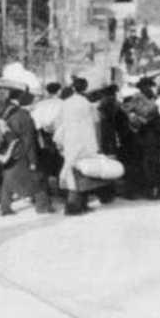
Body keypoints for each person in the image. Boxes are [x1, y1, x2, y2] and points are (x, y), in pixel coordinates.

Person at [0, 80, 52, 216]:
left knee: (8, 178)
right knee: (38, 179)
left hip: (8, 153)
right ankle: (43, 206)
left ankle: (4, 207)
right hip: (22, 153)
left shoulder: (4, 111)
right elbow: (29, 140)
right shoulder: (22, 115)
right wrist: (33, 161)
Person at [54, 76, 99, 215]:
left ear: (73, 88)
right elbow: (95, 121)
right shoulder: (88, 104)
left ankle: (73, 206)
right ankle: (83, 203)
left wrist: (58, 140)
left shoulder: (66, 103)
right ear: (85, 88)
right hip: (87, 140)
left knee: (71, 170)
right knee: (85, 170)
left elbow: (59, 122)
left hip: (70, 139)